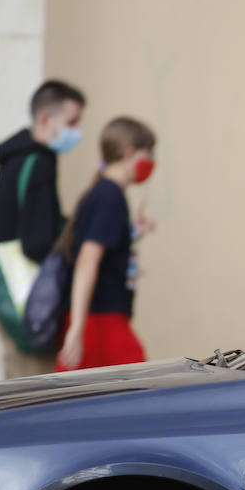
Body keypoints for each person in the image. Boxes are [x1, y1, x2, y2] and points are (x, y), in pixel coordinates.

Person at [0, 79, 87, 377]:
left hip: (6, 293)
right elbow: (37, 242)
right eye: (72, 121)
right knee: (33, 391)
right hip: (32, 301)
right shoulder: (40, 163)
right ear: (45, 119)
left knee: (12, 385)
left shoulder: (12, 158)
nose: (76, 130)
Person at [54, 117, 158, 372]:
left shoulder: (103, 192)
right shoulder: (110, 196)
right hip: (99, 321)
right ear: (130, 152)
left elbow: (100, 250)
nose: (153, 161)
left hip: (98, 319)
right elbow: (87, 260)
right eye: (149, 153)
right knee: (143, 391)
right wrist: (78, 329)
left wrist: (132, 234)